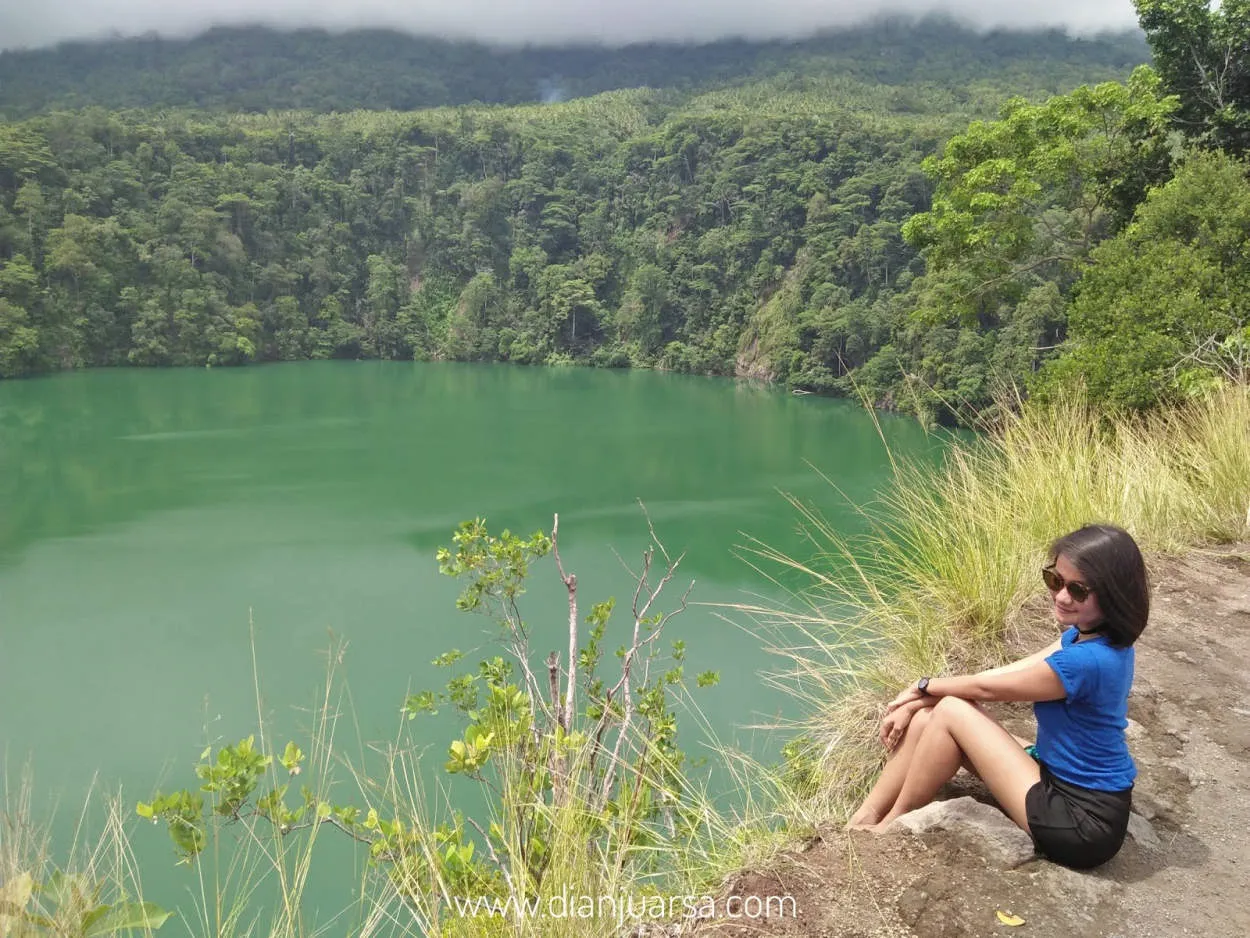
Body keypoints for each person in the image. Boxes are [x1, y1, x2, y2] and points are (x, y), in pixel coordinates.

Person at [846, 524, 1149, 870]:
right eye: (1055, 581)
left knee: (950, 712)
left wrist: (922, 687)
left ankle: (891, 825)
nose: (1062, 596)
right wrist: (917, 701)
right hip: (1059, 778)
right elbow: (1000, 675)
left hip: (1081, 821)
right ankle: (865, 815)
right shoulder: (1088, 637)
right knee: (932, 716)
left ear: (1113, 594)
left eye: (1078, 590)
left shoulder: (1087, 661)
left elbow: (986, 691)